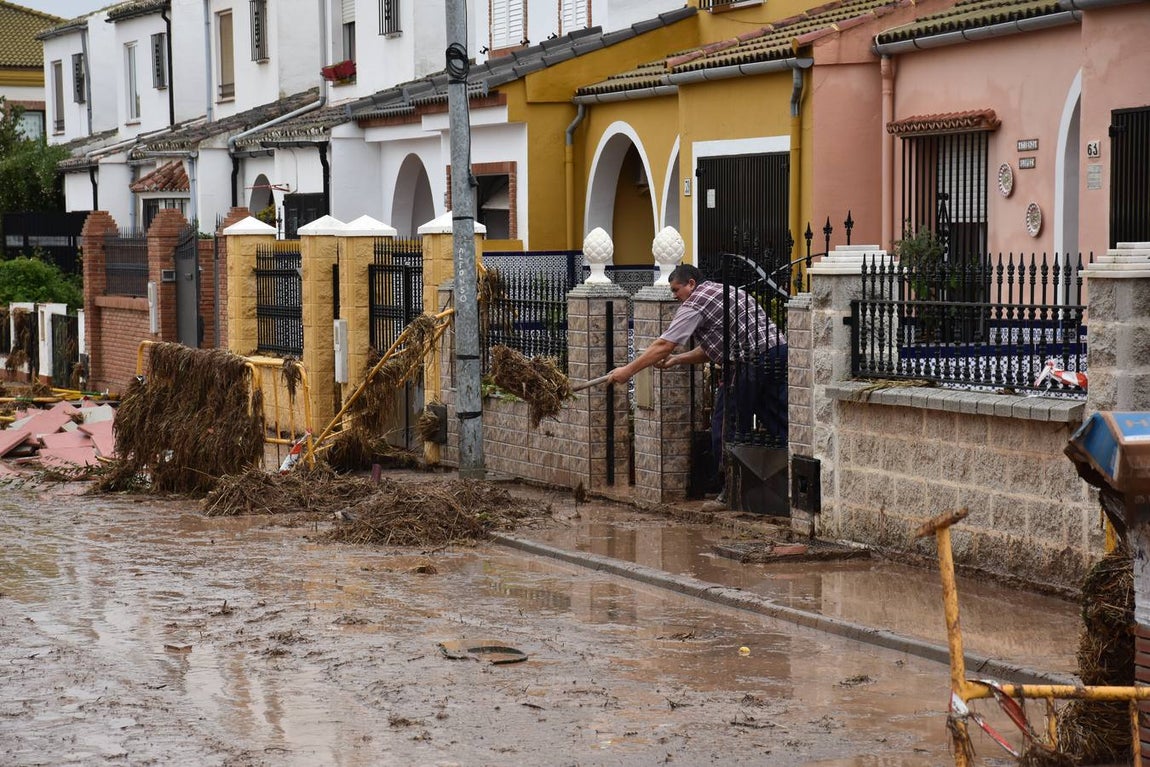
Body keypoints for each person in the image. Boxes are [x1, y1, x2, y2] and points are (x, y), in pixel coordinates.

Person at [606, 264, 787, 500]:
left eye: (676, 290)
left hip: (748, 362)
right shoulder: (723, 291)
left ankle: (730, 490)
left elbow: (664, 344)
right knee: (776, 417)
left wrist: (628, 371)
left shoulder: (695, 302)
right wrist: (676, 360)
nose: (675, 296)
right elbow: (713, 348)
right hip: (778, 354)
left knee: (726, 423)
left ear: (691, 283)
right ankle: (793, 482)